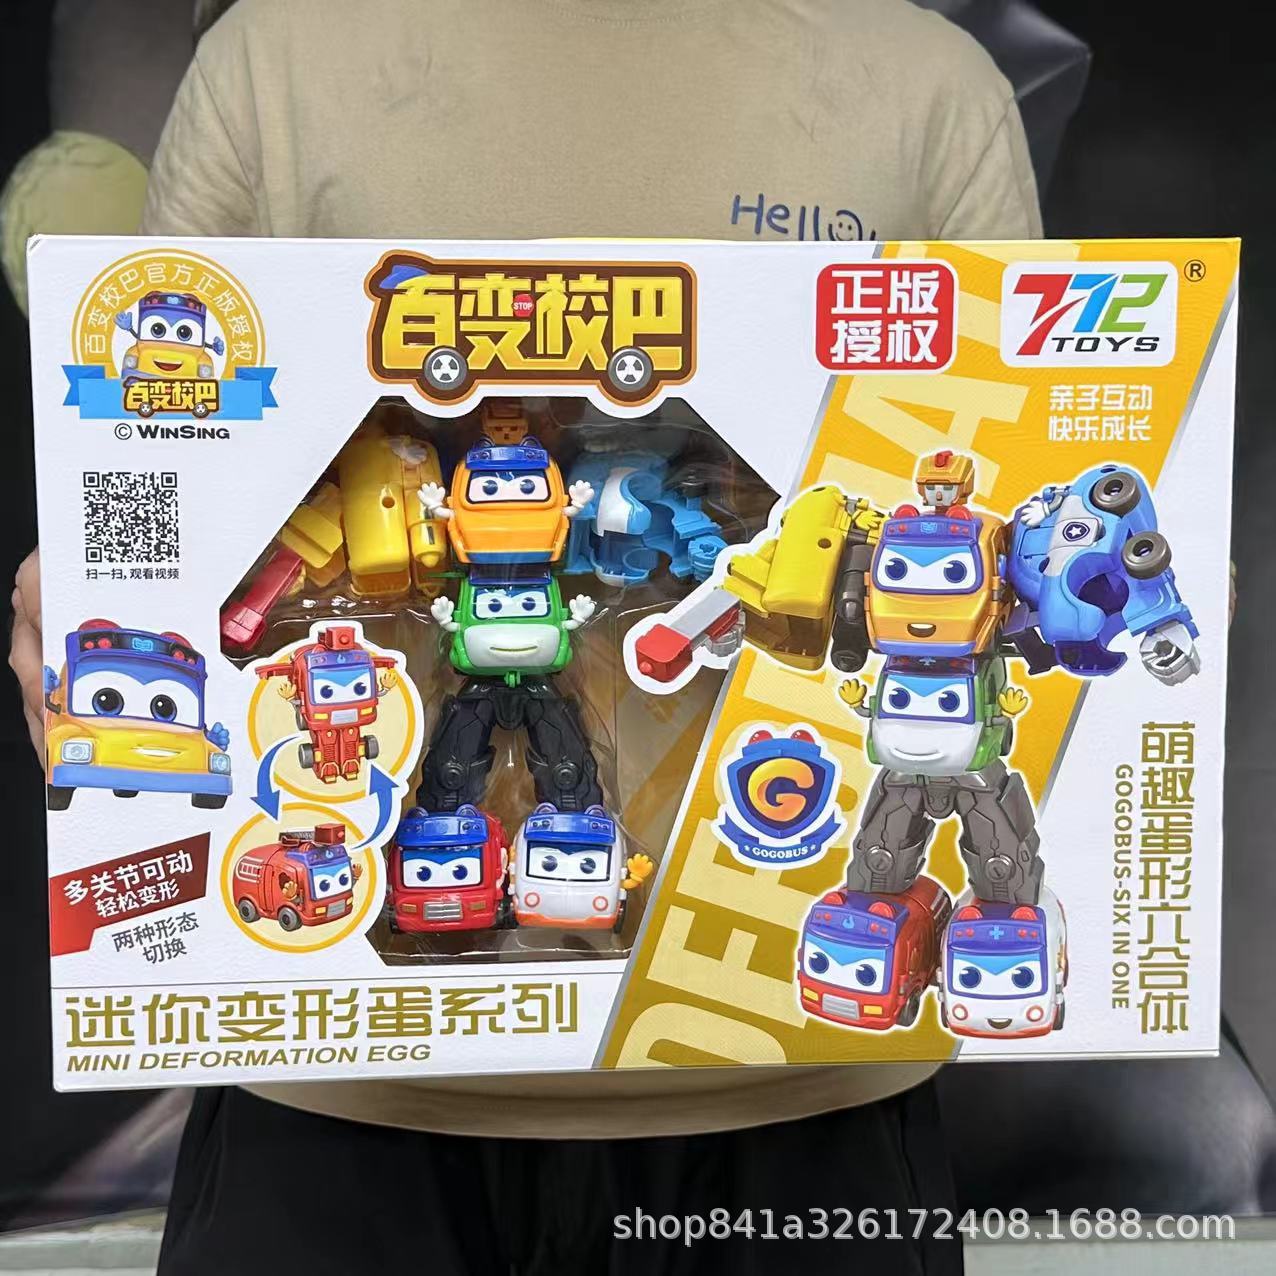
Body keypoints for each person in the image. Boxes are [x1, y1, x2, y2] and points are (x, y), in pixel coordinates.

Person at [9, 1, 1041, 1271]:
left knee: (570, 761)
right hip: (344, 1090)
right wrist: (109, 597)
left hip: (795, 1081)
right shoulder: (279, 59)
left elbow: (1032, 460)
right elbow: (174, 454)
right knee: (479, 762)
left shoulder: (919, 83)